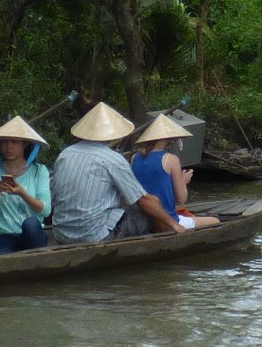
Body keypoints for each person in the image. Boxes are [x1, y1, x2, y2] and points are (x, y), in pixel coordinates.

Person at [47, 102, 183, 244]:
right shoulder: (113, 159)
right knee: (152, 206)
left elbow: (54, 194)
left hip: (61, 233)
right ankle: (166, 243)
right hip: (94, 235)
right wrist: (174, 224)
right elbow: (145, 200)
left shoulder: (65, 154)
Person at [0, 117, 51, 253]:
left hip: (31, 234)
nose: (8, 147)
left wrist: (21, 193)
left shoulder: (39, 170)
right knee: (3, 259)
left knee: (31, 224)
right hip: (2, 234)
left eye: (14, 142)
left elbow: (45, 210)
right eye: (4, 142)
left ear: (24, 144)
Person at [130, 114, 203, 227]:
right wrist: (183, 181)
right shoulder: (171, 160)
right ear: (170, 139)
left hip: (141, 219)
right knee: (215, 221)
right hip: (166, 220)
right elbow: (182, 199)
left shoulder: (135, 157)